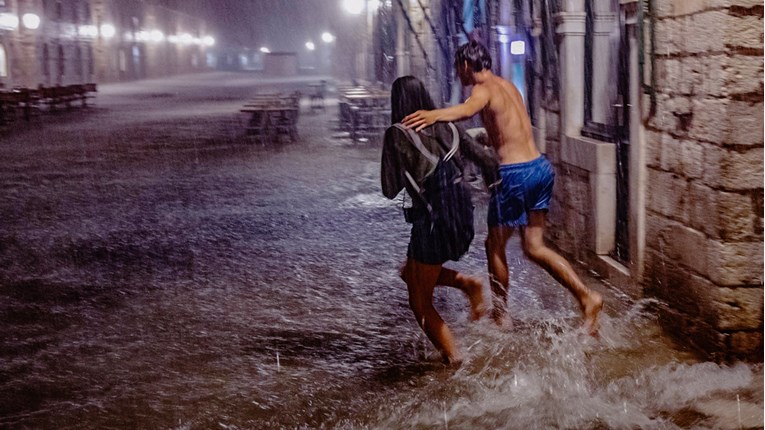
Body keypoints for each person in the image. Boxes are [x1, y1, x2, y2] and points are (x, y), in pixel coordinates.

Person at [402, 41, 603, 335]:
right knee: (534, 247)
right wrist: (489, 138)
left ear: (467, 65)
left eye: (459, 68)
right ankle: (588, 297)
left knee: (493, 245)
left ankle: (500, 315)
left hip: (514, 175)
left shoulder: (481, 89)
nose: (458, 74)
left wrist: (433, 115)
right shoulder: (507, 85)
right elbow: (509, 126)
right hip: (539, 168)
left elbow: (468, 109)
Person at [381, 76, 499, 364]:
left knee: (418, 301)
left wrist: (402, 161)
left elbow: (389, 189)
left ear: (397, 102)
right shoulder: (449, 125)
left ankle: (454, 358)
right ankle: (468, 285)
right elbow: (488, 162)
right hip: (462, 214)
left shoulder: (397, 133)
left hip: (434, 219)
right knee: (410, 272)